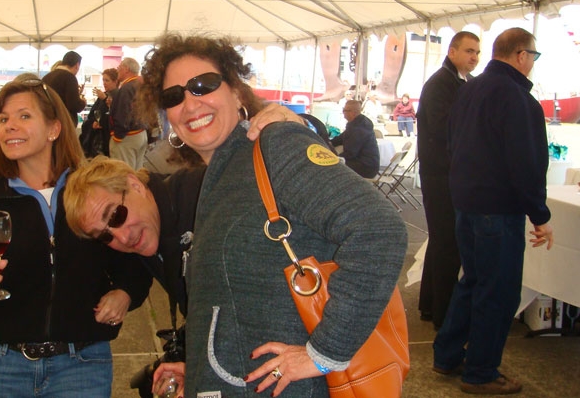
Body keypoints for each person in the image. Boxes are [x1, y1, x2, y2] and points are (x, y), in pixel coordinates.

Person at [136, 33, 407, 397]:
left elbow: (378, 231)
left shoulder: (274, 147)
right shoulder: (219, 175)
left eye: (203, 85)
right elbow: (233, 303)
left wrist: (325, 352)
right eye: (174, 96)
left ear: (235, 91)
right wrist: (201, 369)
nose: (190, 103)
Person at [0, 74, 151, 398]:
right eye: (4, 119)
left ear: (54, 129)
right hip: (4, 365)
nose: (9, 126)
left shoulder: (90, 194)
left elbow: (134, 250)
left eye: (24, 116)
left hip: (82, 363)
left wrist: (126, 292)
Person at [62, 104, 308, 397]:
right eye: (104, 236)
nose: (122, 236)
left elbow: (301, 188)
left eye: (115, 216)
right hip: (255, 366)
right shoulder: (150, 231)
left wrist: (298, 126)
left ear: (135, 185)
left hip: (301, 361)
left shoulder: (202, 194)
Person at [433, 27, 553, 395]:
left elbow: (452, 143)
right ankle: (481, 371)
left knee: (472, 281)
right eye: (533, 57)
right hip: (498, 209)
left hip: (467, 204)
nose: (532, 64)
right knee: (497, 291)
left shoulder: (469, 89)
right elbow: (526, 163)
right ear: (521, 55)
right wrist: (540, 214)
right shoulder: (518, 98)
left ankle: (447, 355)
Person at [416, 31, 481, 329]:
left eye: (477, 52)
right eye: (469, 51)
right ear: (452, 51)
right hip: (440, 174)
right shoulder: (441, 83)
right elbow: (443, 128)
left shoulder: (460, 81)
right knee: (448, 244)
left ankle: (431, 305)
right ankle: (443, 314)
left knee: (442, 241)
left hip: (448, 172)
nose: (474, 57)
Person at [109, 57, 147, 169]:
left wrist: (118, 136)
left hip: (128, 137)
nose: (117, 71)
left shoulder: (127, 88)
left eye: (119, 67)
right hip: (140, 133)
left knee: (125, 174)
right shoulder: (140, 85)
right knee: (137, 172)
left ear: (126, 69)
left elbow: (123, 113)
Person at [330, 100, 380, 178]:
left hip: (366, 167)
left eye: (344, 110)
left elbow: (350, 153)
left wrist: (333, 158)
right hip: (366, 164)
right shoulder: (356, 124)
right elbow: (339, 139)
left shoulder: (358, 129)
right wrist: (326, 142)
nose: (343, 112)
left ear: (353, 112)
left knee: (332, 167)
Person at [80, 68, 118, 157]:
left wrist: (105, 99)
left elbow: (115, 115)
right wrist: (93, 123)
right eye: (103, 80)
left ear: (115, 81)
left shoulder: (117, 96)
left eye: (107, 80)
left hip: (108, 138)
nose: (104, 83)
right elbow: (92, 114)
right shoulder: (102, 96)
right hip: (97, 137)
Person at [42, 51, 86, 125]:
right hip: (63, 123)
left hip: (47, 120)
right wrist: (83, 102)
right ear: (77, 65)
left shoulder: (47, 77)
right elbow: (74, 105)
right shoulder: (70, 77)